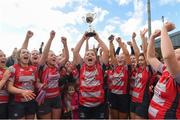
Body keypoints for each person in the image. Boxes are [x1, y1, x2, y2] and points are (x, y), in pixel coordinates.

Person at [147, 22, 180, 119]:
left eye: (177, 53)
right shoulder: (166, 70)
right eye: (174, 51)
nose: (174, 53)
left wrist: (164, 29)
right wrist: (152, 38)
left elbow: (168, 56)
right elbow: (151, 57)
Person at [73, 32, 109, 119]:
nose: (89, 55)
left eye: (92, 54)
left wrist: (97, 38)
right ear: (84, 59)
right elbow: (75, 51)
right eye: (87, 54)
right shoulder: (81, 67)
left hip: (99, 105)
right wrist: (83, 38)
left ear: (96, 58)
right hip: (84, 106)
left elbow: (106, 51)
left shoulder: (100, 67)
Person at [37, 30, 69, 119]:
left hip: (56, 98)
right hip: (45, 99)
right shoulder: (42, 67)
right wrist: (51, 38)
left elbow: (66, 58)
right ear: (45, 59)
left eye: (54, 55)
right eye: (51, 55)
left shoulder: (57, 66)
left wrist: (65, 44)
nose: (54, 56)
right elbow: (44, 53)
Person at [107, 36, 131, 119]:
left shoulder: (127, 68)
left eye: (122, 58)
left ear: (125, 60)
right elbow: (112, 55)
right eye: (118, 58)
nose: (119, 59)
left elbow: (127, 54)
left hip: (123, 97)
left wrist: (120, 43)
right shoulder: (114, 67)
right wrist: (110, 42)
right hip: (113, 95)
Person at [0, 50, 11, 119]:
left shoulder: (8, 70)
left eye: (4, 56)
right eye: (0, 56)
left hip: (9, 103)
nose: (4, 57)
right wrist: (4, 79)